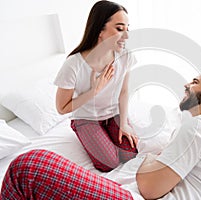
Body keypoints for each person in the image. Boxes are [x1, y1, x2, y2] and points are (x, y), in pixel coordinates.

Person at [1, 64, 201, 199]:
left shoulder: (200, 125)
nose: (187, 85)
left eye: (195, 82)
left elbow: (149, 188)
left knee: (28, 165)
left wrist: (150, 159)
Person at [54, 0, 138, 172]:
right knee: (108, 164)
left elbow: (124, 92)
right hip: (87, 118)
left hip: (113, 114)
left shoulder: (125, 56)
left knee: (130, 153)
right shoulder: (73, 64)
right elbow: (62, 108)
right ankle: (83, 131)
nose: (126, 36)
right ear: (100, 29)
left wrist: (124, 123)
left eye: (127, 28)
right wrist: (94, 91)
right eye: (120, 29)